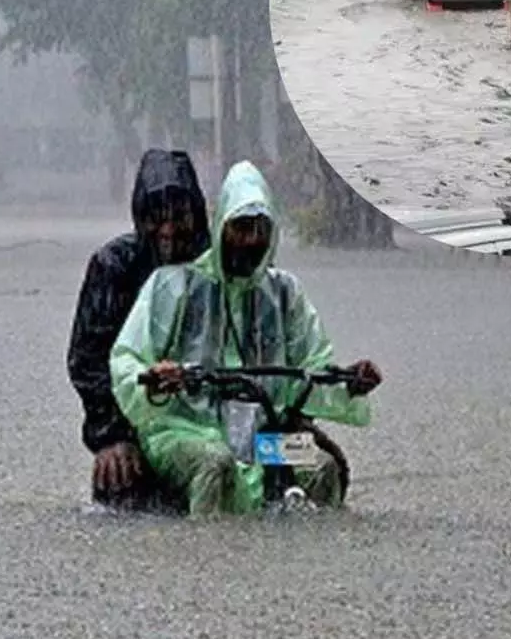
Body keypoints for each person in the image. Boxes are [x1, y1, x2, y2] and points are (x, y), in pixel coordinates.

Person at [108, 161, 382, 516]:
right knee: (215, 465)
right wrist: (156, 380)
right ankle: (210, 560)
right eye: (241, 227)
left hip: (265, 439)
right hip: (186, 429)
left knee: (322, 467)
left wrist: (349, 384)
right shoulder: (172, 285)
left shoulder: (285, 293)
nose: (251, 239)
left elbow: (313, 368)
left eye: (260, 228)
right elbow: (127, 359)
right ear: (222, 226)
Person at [68, 148, 212, 510]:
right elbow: (88, 360)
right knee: (121, 478)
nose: (169, 231)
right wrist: (111, 435)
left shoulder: (219, 265)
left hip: (216, 418)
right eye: (155, 218)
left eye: (179, 217)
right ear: (138, 217)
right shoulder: (114, 266)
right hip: (135, 422)